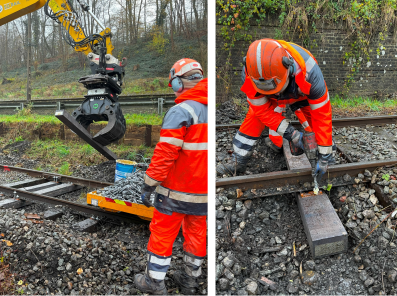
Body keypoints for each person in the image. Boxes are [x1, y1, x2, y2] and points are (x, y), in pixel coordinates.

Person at [134, 58, 208, 295]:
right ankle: (189, 281)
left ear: (178, 83)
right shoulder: (208, 108)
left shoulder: (181, 111)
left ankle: (154, 282)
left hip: (175, 190)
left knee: (163, 233)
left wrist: (149, 184)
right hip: (203, 194)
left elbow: (165, 153)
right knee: (196, 233)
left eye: (173, 83)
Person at [216, 38, 334, 180]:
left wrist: (325, 155)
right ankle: (238, 161)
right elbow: (261, 111)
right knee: (254, 118)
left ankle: (326, 157)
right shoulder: (249, 74)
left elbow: (322, 114)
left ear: (288, 69)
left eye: (276, 90)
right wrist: (292, 134)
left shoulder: (310, 73)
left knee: (314, 123)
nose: (277, 95)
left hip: (301, 91)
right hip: (270, 95)